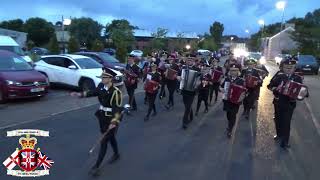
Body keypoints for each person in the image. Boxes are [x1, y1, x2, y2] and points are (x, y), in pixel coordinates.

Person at [70, 68, 123, 176]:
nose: (102, 79)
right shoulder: (100, 86)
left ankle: (96, 166)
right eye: (102, 77)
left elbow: (117, 109)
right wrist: (80, 95)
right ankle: (117, 154)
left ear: (110, 79)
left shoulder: (115, 92)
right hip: (102, 117)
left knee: (104, 141)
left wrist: (114, 122)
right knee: (111, 137)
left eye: (104, 77)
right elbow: (93, 92)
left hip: (111, 119)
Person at [267, 58, 307, 149]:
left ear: (294, 68)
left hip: (290, 104)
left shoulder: (297, 78)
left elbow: (303, 90)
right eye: (287, 67)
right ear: (282, 68)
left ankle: (285, 142)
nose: (289, 69)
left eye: (291, 67)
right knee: (278, 119)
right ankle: (279, 134)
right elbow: (269, 86)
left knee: (286, 122)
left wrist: (304, 93)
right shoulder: (278, 75)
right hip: (278, 102)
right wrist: (275, 88)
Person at [221, 63, 245, 138]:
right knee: (228, 115)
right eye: (232, 70)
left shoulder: (241, 81)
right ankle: (230, 124)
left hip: (235, 102)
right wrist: (222, 90)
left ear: (238, 72)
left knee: (233, 115)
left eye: (235, 70)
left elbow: (244, 91)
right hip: (227, 100)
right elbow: (221, 87)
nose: (233, 72)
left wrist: (241, 97)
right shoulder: (227, 79)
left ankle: (230, 130)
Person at [178, 55, 201, 129]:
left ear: (193, 61)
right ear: (186, 61)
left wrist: (198, 83)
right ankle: (191, 115)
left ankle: (184, 122)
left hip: (192, 91)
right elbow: (177, 75)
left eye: (191, 60)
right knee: (187, 105)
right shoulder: (183, 68)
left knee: (187, 107)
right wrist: (178, 77)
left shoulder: (197, 69)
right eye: (188, 60)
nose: (189, 61)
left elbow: (200, 79)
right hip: (184, 89)